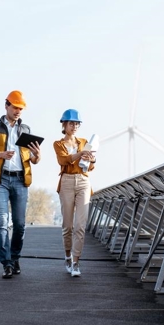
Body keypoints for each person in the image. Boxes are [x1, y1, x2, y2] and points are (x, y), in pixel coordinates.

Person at [0, 90, 42, 279]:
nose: (18, 111)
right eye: (15, 107)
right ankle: (6, 263)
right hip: (0, 180)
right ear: (6, 106)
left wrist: (38, 155)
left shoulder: (26, 130)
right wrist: (1, 154)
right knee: (2, 222)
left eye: (21, 108)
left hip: (20, 180)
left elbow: (33, 159)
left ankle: (15, 258)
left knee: (20, 224)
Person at [52, 109, 95, 277]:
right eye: (71, 123)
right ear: (64, 125)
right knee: (68, 226)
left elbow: (90, 166)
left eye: (77, 123)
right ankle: (68, 256)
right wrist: (80, 154)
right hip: (67, 182)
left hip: (83, 181)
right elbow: (63, 160)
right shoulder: (58, 144)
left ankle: (76, 262)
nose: (75, 126)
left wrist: (91, 159)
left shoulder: (84, 142)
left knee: (80, 226)